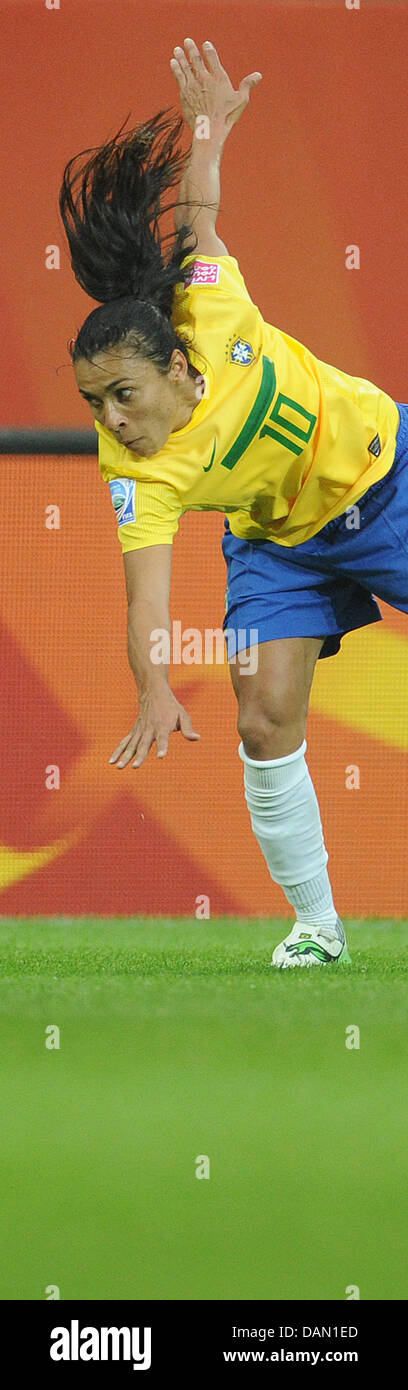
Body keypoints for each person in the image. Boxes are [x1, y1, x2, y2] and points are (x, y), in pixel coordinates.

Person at [59, 38, 406, 968]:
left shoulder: (211, 310)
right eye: (94, 403)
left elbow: (200, 218)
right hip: (281, 542)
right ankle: (318, 930)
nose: (110, 419)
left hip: (388, 481)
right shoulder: (138, 472)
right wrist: (154, 687)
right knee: (262, 716)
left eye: (122, 395)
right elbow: (147, 600)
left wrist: (209, 125)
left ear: (174, 365)